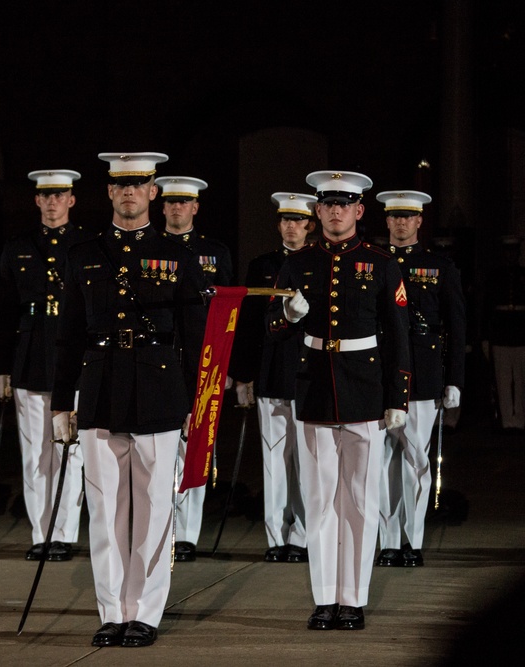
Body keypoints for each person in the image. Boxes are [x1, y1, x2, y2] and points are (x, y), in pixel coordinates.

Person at [51, 152, 208, 648]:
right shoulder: (84, 253)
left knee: (156, 505)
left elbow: (193, 337)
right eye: (121, 185)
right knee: (105, 508)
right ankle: (112, 609)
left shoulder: (178, 255)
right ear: (110, 193)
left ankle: (145, 611)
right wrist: (60, 403)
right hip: (99, 389)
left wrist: (193, 408)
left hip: (159, 389)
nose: (130, 193)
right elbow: (69, 334)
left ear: (153, 193)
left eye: (139, 184)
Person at [267, 170, 410, 631]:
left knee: (361, 500)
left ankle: (354, 597)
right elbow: (273, 326)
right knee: (319, 498)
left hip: (365, 389)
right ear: (317, 210)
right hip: (314, 388)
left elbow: (398, 334)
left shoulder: (382, 263)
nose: (334, 211)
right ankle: (324, 597)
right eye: (327, 204)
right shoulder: (298, 261)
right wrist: (287, 313)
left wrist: (398, 396)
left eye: (343, 204)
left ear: (359, 210)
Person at [0, 169, 89, 562]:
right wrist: (1, 367)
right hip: (30, 355)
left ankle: (64, 533)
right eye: (45, 195)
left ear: (71, 199)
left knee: (70, 449)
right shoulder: (18, 246)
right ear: (36, 200)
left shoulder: (86, 244)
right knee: (35, 452)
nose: (52, 201)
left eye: (59, 194)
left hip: (72, 355)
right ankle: (41, 531)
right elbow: (2, 311)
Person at [373, 190, 466, 568]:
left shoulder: (439, 267)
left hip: (423, 374)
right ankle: (388, 541)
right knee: (380, 464)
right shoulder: (375, 262)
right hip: (380, 371)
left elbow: (457, 325)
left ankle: (413, 539)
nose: (399, 223)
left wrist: (455, 379)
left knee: (415, 461)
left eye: (407, 216)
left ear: (419, 221)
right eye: (394, 216)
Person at [231, 192, 317, 563]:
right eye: (285, 220)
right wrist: (243, 376)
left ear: (309, 225)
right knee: (273, 458)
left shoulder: (319, 262)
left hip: (307, 372)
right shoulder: (261, 265)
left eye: (298, 221)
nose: (291, 226)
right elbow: (249, 324)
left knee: (306, 462)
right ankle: (275, 536)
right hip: (270, 373)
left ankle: (301, 534)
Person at [154, 175, 235, 563]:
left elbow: (230, 312)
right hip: (163, 354)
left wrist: (228, 365)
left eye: (183, 203)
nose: (176, 209)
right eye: (170, 203)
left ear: (195, 207)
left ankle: (187, 532)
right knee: (160, 442)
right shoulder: (150, 248)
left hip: (205, 356)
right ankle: (163, 524)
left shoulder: (214, 253)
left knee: (198, 441)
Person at [480, 235, 525, 433]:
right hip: (501, 333)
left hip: (522, 332)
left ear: (518, 253)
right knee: (503, 379)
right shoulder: (494, 276)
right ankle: (508, 421)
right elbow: (487, 308)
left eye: (514, 251)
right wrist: (485, 336)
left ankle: (520, 420)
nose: (511, 255)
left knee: (521, 379)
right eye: (508, 251)